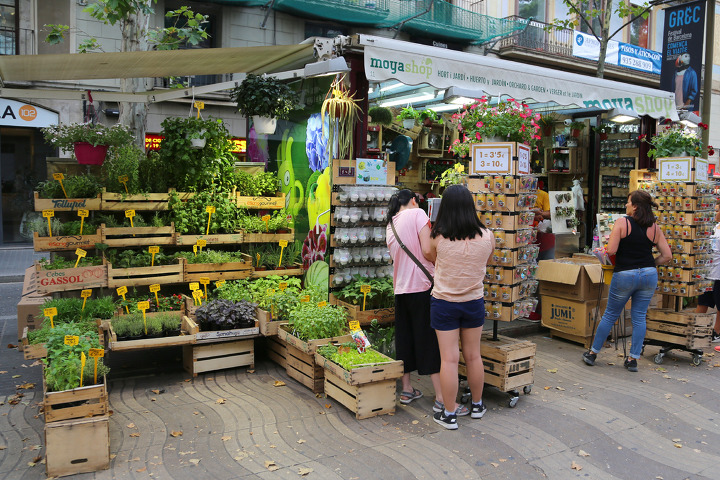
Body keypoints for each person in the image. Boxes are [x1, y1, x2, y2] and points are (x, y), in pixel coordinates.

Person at [423, 185, 494, 430]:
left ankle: (450, 414)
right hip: (473, 301)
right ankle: (477, 405)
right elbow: (488, 260)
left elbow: (430, 257)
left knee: (449, 360)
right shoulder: (487, 235)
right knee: (474, 355)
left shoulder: (438, 235)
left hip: (444, 303)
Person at [583, 191, 672, 372]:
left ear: (635, 206)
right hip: (648, 275)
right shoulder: (654, 227)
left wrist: (605, 248)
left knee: (610, 315)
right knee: (639, 317)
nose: (626, 205)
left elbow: (612, 250)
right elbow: (667, 255)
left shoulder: (622, 222)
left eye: (628, 202)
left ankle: (592, 353)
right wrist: (651, 264)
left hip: (625, 274)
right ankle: (633, 359)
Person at [386, 189, 445, 410]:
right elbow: (427, 250)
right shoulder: (418, 213)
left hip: (401, 288)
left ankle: (407, 389)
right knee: (428, 340)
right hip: (422, 285)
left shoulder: (390, 224)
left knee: (405, 338)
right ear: (413, 200)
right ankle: (440, 397)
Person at [695, 202, 720, 343]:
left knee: (719, 304)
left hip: (718, 273)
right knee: (703, 301)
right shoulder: (715, 227)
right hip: (708, 272)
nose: (714, 213)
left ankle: (717, 331)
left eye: (716, 210)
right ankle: (696, 328)